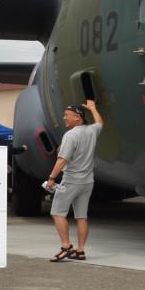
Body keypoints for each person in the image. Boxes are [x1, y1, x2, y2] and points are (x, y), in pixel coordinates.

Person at [44, 101, 104, 262]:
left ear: (77, 118)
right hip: (87, 181)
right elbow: (100, 123)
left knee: (57, 212)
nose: (64, 118)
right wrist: (93, 108)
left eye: (67, 115)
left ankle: (66, 246)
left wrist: (51, 178)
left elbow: (62, 159)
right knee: (81, 216)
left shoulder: (71, 135)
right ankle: (80, 250)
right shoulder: (92, 131)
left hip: (71, 180)